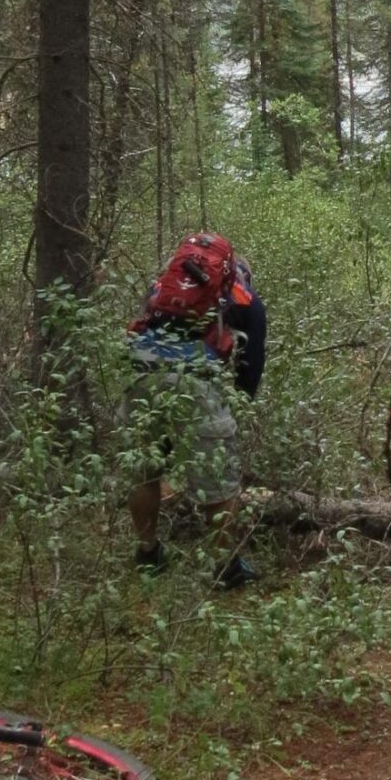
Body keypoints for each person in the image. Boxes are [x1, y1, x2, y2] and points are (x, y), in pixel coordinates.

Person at [127, 232, 266, 583]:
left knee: (147, 470)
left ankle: (147, 553)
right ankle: (225, 568)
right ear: (237, 273)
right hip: (195, 380)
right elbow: (251, 367)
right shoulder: (245, 298)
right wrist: (236, 407)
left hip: (142, 373)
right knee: (219, 483)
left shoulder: (161, 288)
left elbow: (141, 329)